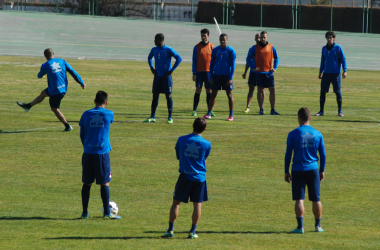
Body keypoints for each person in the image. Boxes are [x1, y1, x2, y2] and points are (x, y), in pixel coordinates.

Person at [163, 117, 211, 239]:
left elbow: (178, 156)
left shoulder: (181, 139)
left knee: (176, 203)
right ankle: (192, 232)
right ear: (204, 129)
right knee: (197, 205)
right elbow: (204, 157)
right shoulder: (206, 144)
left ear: (192, 125)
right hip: (199, 178)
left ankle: (170, 230)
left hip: (184, 176)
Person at [17, 48, 86, 131]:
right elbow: (72, 71)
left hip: (56, 91)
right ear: (53, 53)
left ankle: (67, 126)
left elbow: (39, 75)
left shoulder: (45, 65)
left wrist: (41, 75)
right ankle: (28, 106)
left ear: (45, 56)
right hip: (63, 88)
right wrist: (81, 82)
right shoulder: (62, 61)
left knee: (54, 109)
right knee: (43, 93)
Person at [79, 91, 121, 220]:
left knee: (87, 183)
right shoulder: (109, 114)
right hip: (102, 154)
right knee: (105, 183)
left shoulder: (86, 114)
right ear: (106, 102)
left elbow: (82, 133)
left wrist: (86, 145)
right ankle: (106, 214)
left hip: (87, 153)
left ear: (94, 101)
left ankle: (85, 212)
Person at [284, 107, 326, 233]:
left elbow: (288, 154)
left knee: (299, 199)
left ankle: (300, 227)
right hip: (313, 169)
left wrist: (286, 171)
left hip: (298, 169)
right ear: (310, 118)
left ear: (299, 118)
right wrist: (322, 170)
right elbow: (323, 155)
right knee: (316, 199)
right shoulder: (318, 134)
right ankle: (317, 226)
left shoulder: (293, 134)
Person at [145, 33, 182, 124]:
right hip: (157, 77)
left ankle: (170, 117)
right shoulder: (154, 50)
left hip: (166, 77)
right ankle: (152, 117)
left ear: (161, 40)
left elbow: (179, 58)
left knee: (168, 96)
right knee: (155, 96)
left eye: (155, 39)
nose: (154, 41)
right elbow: (149, 57)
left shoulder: (168, 50)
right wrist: (152, 68)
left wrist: (171, 70)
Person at [203, 33, 236, 121]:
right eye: (221, 40)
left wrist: (230, 78)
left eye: (224, 40)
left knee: (229, 95)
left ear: (227, 40)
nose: (222, 41)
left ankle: (231, 115)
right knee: (213, 94)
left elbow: (233, 66)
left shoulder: (231, 51)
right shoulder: (215, 50)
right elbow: (211, 64)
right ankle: (209, 113)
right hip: (216, 75)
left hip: (226, 76)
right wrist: (211, 76)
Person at [316, 31, 347, 117]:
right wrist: (320, 71)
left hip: (335, 74)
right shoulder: (324, 49)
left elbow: (343, 59)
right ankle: (321, 111)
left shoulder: (338, 48)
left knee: (337, 92)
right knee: (323, 92)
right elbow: (322, 60)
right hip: (326, 74)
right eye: (328, 38)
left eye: (331, 38)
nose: (329, 39)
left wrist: (345, 70)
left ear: (333, 38)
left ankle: (340, 111)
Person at [247, 31, 279, 115]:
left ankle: (272, 110)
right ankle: (261, 109)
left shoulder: (271, 47)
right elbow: (248, 59)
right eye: (261, 37)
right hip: (259, 73)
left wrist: (275, 68)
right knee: (260, 90)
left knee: (272, 90)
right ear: (259, 38)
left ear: (267, 38)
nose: (263, 39)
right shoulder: (255, 48)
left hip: (269, 73)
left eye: (264, 37)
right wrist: (253, 67)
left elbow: (276, 58)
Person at [191, 29, 215, 117]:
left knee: (209, 91)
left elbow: (215, 61)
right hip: (199, 72)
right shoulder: (197, 47)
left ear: (208, 36)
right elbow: (194, 61)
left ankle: (210, 110)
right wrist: (194, 73)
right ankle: (194, 110)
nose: (203, 37)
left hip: (209, 72)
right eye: (202, 36)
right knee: (198, 90)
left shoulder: (212, 47)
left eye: (205, 36)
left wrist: (214, 72)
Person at [243, 33, 265, 113]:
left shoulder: (264, 48)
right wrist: (245, 72)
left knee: (262, 90)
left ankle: (261, 108)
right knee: (251, 89)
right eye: (257, 38)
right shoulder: (252, 48)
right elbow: (248, 61)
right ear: (255, 39)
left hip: (262, 72)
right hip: (253, 72)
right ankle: (248, 106)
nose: (258, 39)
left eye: (259, 38)